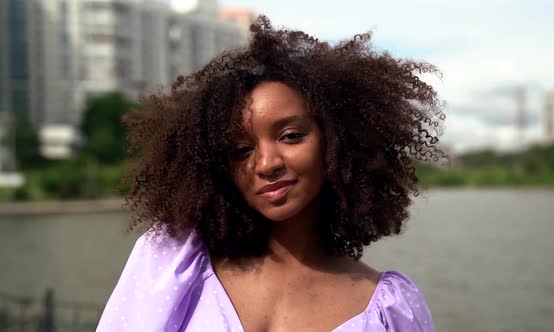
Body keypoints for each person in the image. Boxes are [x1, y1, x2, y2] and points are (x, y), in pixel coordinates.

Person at [97, 15, 444, 332]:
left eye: (290, 136)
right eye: (241, 151)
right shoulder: (172, 262)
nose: (266, 164)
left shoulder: (388, 309)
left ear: (340, 140)